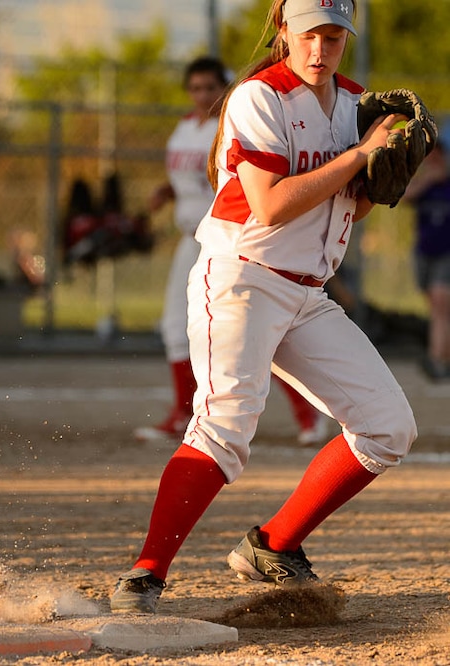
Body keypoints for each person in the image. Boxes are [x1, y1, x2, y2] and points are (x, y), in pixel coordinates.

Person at [110, 0, 419, 614]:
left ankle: (273, 545)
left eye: (333, 36)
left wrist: (380, 182)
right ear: (284, 29)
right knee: (226, 425)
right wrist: (359, 157)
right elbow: (271, 205)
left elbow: (348, 208)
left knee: (388, 427)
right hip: (243, 280)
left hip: (308, 291)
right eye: (308, 34)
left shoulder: (356, 104)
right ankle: (147, 571)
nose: (318, 50)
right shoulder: (261, 96)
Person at [133, 55, 328, 447]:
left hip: (227, 240)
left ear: (224, 86)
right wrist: (168, 192)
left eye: (210, 87)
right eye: (195, 88)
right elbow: (195, 177)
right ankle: (185, 412)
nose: (202, 94)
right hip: (190, 237)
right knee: (176, 327)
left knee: (248, 332)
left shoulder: (236, 120)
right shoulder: (186, 128)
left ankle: (308, 414)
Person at [403, 140, 450, 381]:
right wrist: (428, 179)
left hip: (446, 253)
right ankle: (443, 355)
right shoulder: (425, 183)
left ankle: (436, 359)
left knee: (441, 303)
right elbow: (405, 197)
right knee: (437, 309)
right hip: (424, 252)